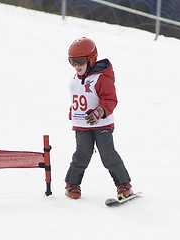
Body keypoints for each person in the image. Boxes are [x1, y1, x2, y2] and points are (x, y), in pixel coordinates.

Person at [65, 37, 133, 200]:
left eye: (80, 61)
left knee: (108, 155)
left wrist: (99, 112)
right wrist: (72, 112)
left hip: (101, 124)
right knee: (82, 155)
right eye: (72, 61)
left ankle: (124, 185)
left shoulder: (101, 78)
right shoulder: (74, 80)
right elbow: (77, 99)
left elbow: (110, 99)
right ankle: (72, 184)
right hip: (82, 126)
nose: (76, 65)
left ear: (91, 59)